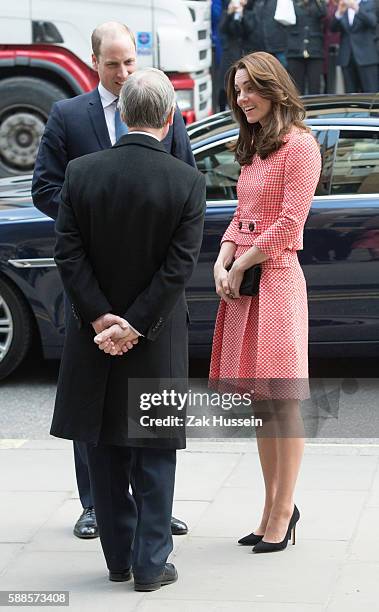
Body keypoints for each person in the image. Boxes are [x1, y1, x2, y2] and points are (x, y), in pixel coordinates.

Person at [32, 21, 192, 540]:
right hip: (93, 287)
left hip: (153, 292)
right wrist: (91, 220)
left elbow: (184, 187)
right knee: (93, 404)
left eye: (130, 63)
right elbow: (46, 188)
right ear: (93, 61)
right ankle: (96, 506)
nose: (124, 73)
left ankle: (152, 511)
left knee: (151, 406)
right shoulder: (67, 115)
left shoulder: (163, 109)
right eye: (113, 64)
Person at [50, 67, 206, 590]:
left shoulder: (80, 173)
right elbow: (177, 268)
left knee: (104, 448)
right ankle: (150, 564)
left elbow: (68, 256)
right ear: (169, 117)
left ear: (120, 113)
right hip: (155, 337)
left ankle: (118, 561)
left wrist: (100, 318)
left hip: (92, 337)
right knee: (154, 453)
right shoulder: (186, 180)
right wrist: (135, 325)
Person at [209, 52, 321, 553]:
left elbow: (289, 223)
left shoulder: (301, 145)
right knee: (260, 404)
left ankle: (283, 511)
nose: (241, 99)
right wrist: (223, 255)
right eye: (236, 91)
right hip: (246, 284)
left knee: (282, 403)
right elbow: (243, 212)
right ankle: (270, 507)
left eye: (249, 89)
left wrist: (242, 262)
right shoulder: (255, 146)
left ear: (273, 88)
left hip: (275, 283)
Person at [330, 0, 378, 92]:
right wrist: (339, 13)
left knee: (371, 92)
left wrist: (356, 8)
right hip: (347, 57)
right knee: (350, 93)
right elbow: (332, 28)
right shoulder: (343, 6)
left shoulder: (369, 3)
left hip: (367, 57)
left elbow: (372, 22)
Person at [218, 0, 255, 110]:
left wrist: (241, 14)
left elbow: (249, 29)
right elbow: (222, 28)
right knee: (224, 84)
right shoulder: (227, 13)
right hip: (229, 54)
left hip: (243, 54)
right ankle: (222, 109)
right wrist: (229, 13)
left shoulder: (250, 14)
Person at [287, 0, 327, 95]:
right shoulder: (290, 2)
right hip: (295, 50)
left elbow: (323, 12)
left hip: (315, 50)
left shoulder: (317, 3)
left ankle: (315, 109)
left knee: (315, 87)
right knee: (296, 89)